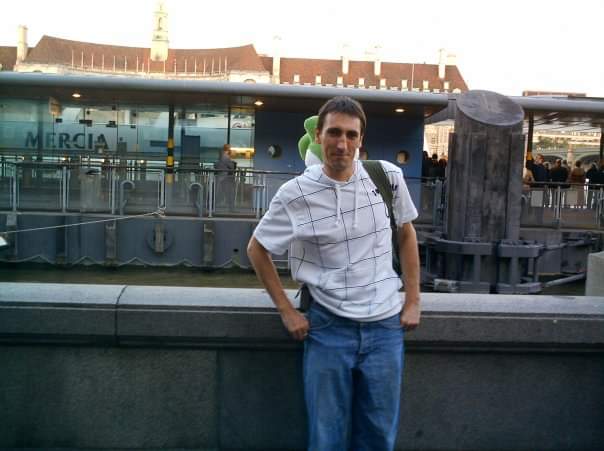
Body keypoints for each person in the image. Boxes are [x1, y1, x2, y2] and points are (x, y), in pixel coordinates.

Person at [247, 96, 420, 451]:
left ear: (361, 140)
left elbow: (406, 234)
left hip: (386, 328)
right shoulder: (295, 193)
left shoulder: (387, 176)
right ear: (319, 135)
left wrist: (414, 300)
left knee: (379, 437)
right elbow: (257, 249)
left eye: (351, 135)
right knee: (326, 438)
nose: (342, 144)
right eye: (334, 133)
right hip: (327, 329)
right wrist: (286, 310)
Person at [214, 144, 236, 211]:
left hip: (220, 177)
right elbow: (231, 167)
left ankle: (214, 207)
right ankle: (231, 208)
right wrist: (232, 164)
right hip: (226, 177)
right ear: (228, 149)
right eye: (230, 148)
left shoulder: (220, 157)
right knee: (229, 193)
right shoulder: (226, 157)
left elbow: (216, 165)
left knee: (218, 193)